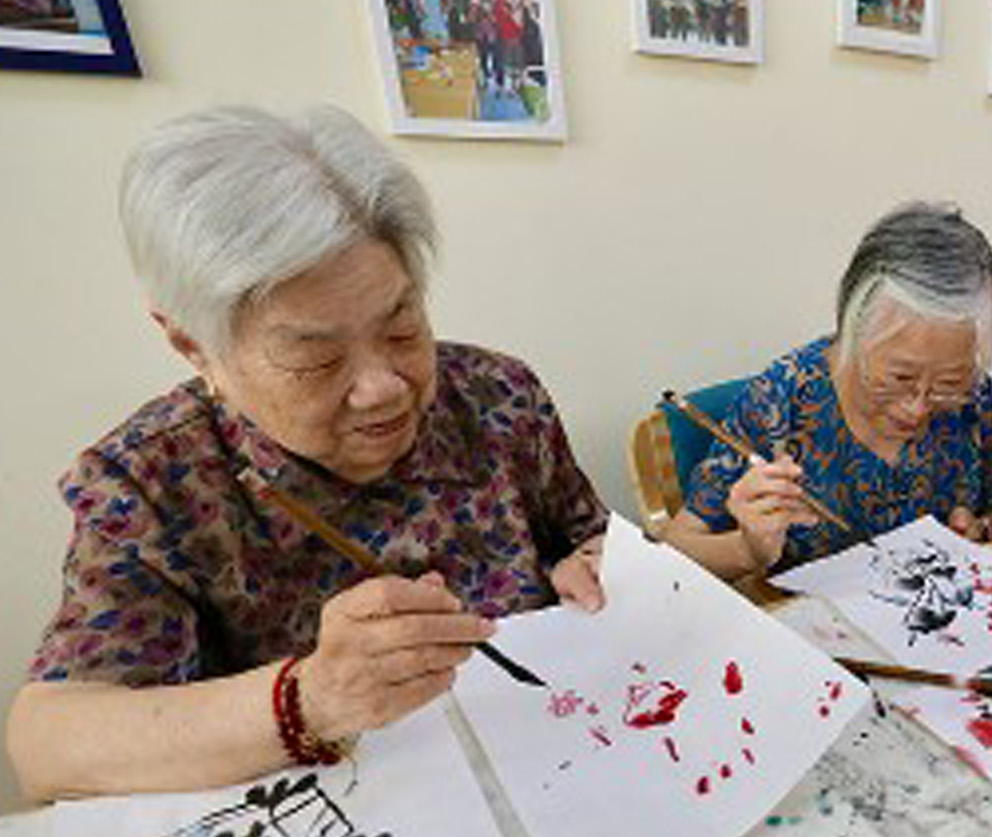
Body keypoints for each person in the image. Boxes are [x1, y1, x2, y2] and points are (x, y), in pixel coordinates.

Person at [6, 106, 610, 801]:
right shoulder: (151, 481)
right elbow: (47, 747)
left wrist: (599, 570)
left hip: (559, 771)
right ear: (194, 346)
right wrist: (309, 699)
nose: (384, 389)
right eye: (314, 360)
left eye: (403, 326)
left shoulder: (498, 395)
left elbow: (590, 539)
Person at [663, 202, 992, 580]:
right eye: (898, 379)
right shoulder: (782, 400)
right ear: (852, 333)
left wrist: (978, 530)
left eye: (946, 385)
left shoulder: (971, 395)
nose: (916, 409)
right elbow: (676, 546)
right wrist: (748, 549)